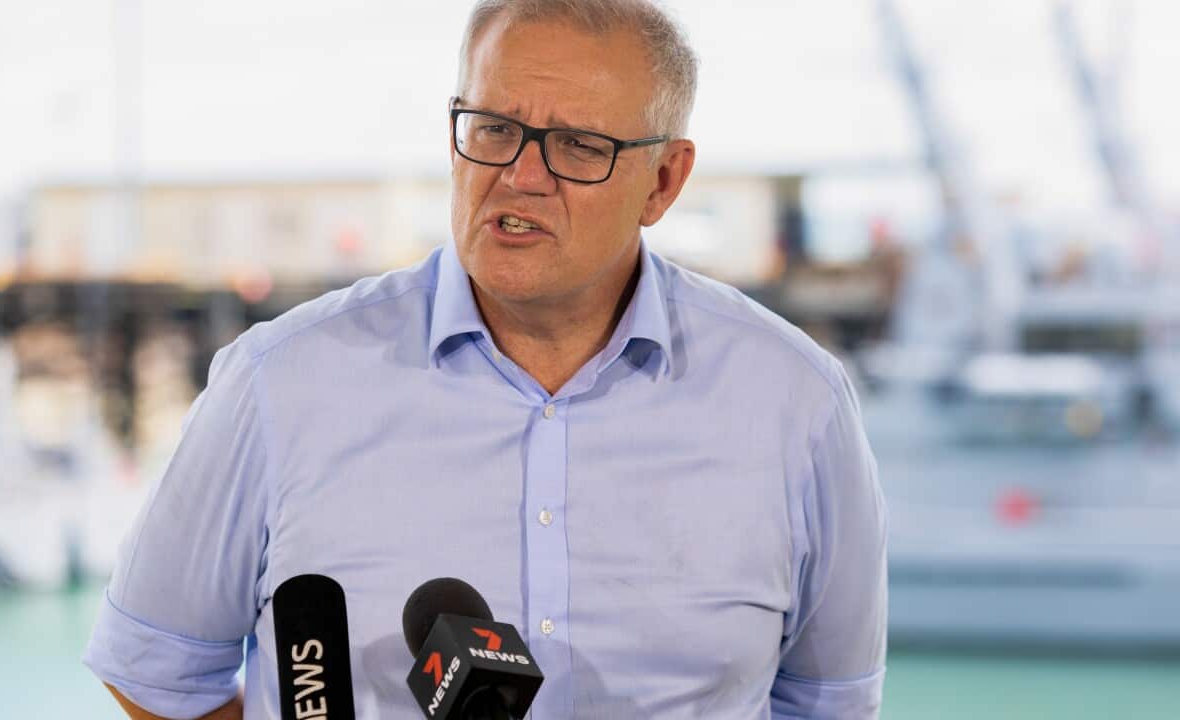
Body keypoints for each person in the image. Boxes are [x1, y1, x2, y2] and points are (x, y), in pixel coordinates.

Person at [83, 1, 888, 718]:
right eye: (495, 129)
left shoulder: (798, 405)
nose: (521, 176)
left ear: (664, 181)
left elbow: (831, 705)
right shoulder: (276, 383)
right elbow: (156, 674)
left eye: (578, 145)